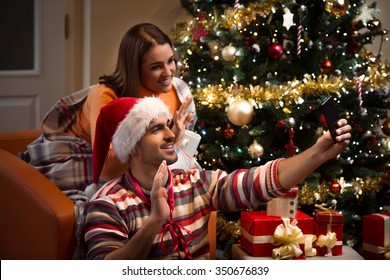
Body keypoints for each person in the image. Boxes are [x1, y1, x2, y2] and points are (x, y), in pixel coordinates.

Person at [82, 97, 352, 260]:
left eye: (167, 124)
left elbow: (257, 184)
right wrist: (154, 222)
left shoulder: (193, 182)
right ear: (133, 147)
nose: (170, 135)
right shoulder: (107, 205)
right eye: (156, 129)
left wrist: (317, 154)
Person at [20, 23, 197, 191]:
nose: (168, 72)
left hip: (139, 165)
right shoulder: (106, 95)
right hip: (82, 158)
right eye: (156, 67)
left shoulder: (178, 91)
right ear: (135, 69)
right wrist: (172, 140)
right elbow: (106, 169)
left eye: (170, 61)